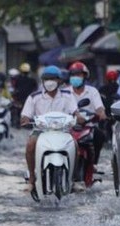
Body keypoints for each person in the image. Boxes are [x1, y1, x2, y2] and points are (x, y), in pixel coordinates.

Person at [20, 65, 84, 200]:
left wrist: (79, 117)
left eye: (53, 79)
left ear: (59, 80)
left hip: (63, 131)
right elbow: (25, 116)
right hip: (40, 132)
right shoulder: (34, 97)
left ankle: (74, 179)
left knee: (76, 146)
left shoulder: (67, 95)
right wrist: (25, 119)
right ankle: (32, 179)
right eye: (46, 79)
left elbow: (75, 112)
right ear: (42, 81)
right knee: (30, 145)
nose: (50, 82)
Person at [68, 61, 107, 167]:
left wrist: (101, 114)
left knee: (100, 136)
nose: (75, 77)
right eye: (73, 75)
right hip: (69, 128)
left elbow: (99, 108)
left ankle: (94, 163)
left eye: (78, 75)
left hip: (88, 127)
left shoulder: (92, 91)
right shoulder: (65, 92)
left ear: (85, 76)